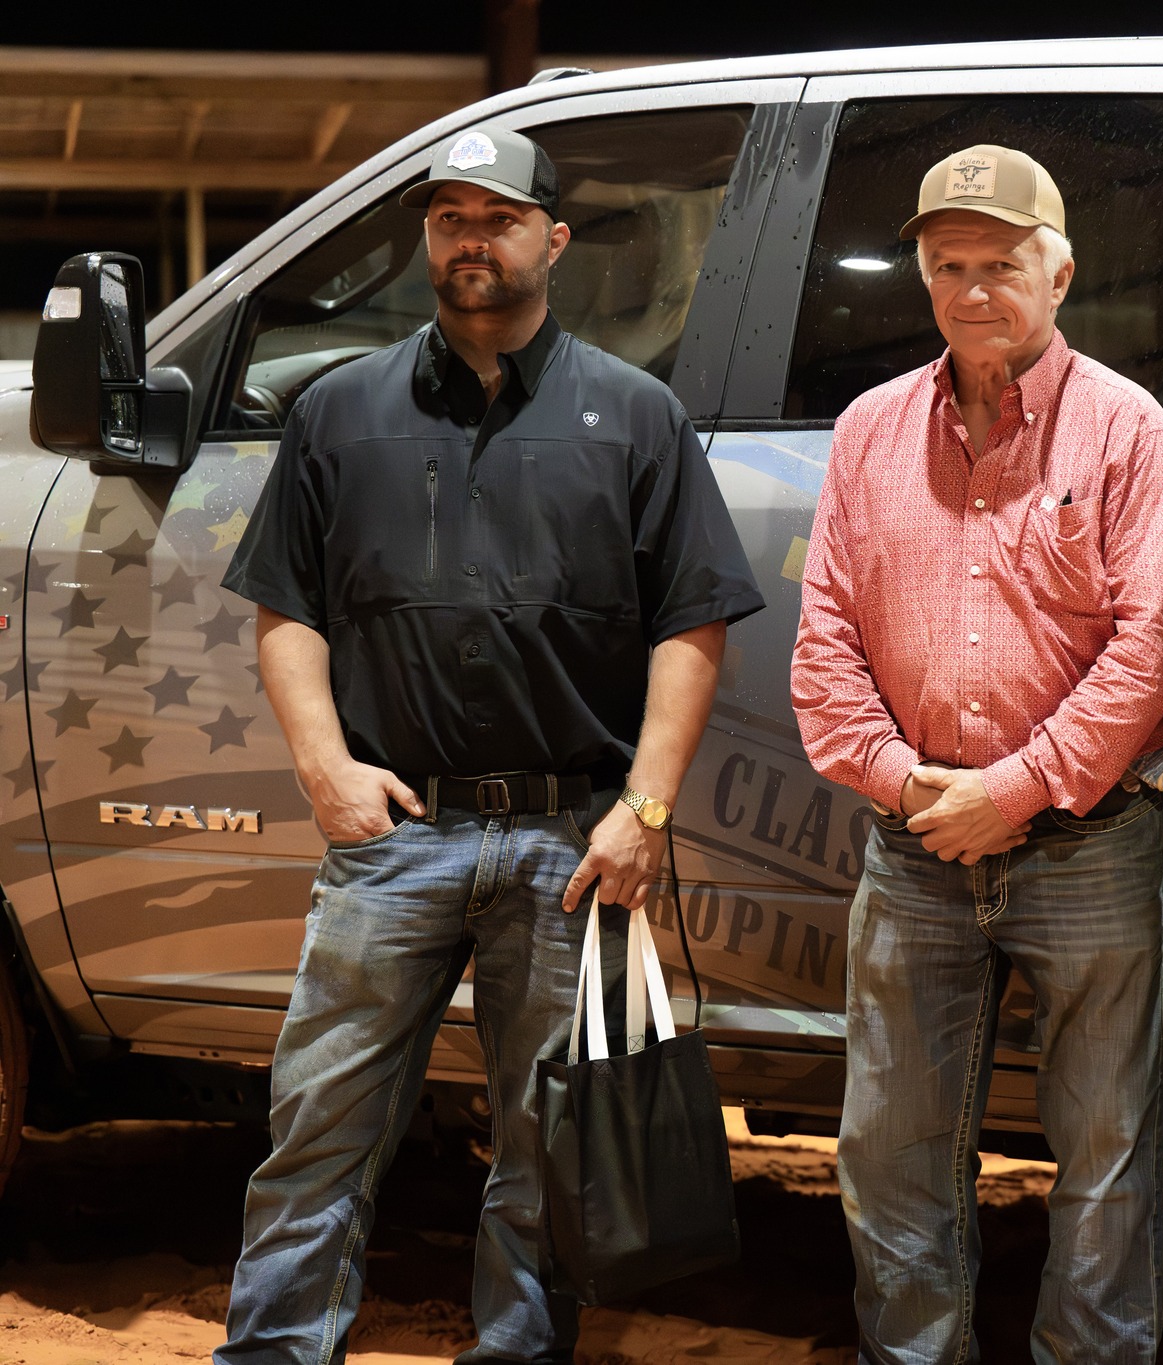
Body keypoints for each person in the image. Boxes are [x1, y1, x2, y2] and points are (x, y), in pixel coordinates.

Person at [215, 123, 764, 1365]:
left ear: (552, 240)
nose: (473, 239)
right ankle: (272, 1351)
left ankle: (517, 1350)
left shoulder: (636, 416)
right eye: (450, 218)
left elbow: (691, 626)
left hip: (569, 839)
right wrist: (323, 770)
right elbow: (286, 609)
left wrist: (646, 810)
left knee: (545, 1140)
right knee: (317, 1129)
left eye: (499, 218)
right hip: (394, 838)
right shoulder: (338, 412)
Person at [791, 143, 1163, 1364]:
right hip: (912, 844)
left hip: (1091, 845)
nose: (972, 291)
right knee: (889, 1154)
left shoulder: (1124, 429)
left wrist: (1011, 791)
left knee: (1104, 1159)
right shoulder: (869, 432)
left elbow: (1152, 649)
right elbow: (823, 642)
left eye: (1001, 266)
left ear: (1058, 275)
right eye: (947, 266)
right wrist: (903, 781)